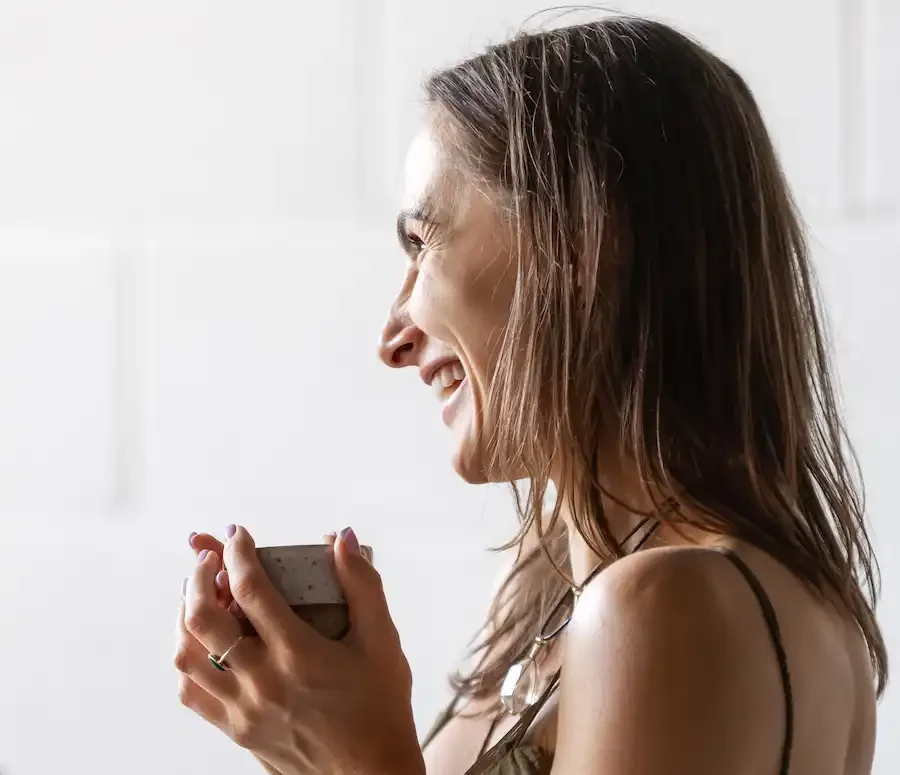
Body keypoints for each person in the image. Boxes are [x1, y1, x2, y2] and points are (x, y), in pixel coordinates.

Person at [174, 15, 887, 775]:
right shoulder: (551, 591)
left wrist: (357, 760)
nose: (393, 336)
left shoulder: (666, 606)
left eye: (423, 244)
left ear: (579, 241)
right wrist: (308, 740)